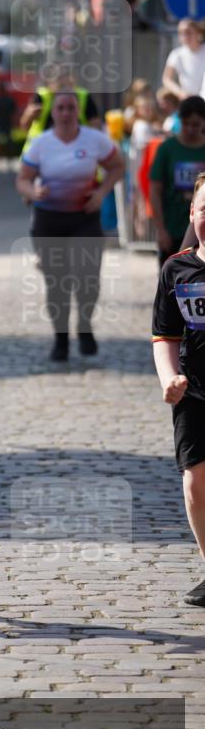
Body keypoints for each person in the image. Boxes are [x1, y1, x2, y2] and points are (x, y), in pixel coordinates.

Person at [16, 91, 125, 361]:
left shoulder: (95, 140)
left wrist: (101, 193)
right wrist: (31, 192)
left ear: (78, 111)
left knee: (88, 278)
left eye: (70, 108)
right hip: (49, 220)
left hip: (84, 217)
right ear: (52, 112)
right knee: (57, 283)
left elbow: (118, 166)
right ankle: (60, 339)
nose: (65, 113)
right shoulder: (41, 143)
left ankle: (85, 326)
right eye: (60, 108)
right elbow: (22, 179)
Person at [152, 172, 205, 607]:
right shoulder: (177, 268)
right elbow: (165, 337)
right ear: (193, 213)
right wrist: (169, 380)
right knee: (195, 485)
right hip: (195, 390)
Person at [149, 96, 205, 266]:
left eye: (195, 124)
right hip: (172, 229)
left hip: (201, 232)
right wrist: (160, 229)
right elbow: (155, 190)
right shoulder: (167, 148)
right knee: (172, 283)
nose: (190, 129)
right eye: (186, 123)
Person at [162, 20, 205, 102]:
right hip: (187, 101)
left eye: (188, 32)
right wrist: (180, 92)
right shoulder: (176, 54)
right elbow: (166, 78)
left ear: (197, 32)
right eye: (181, 33)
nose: (185, 36)